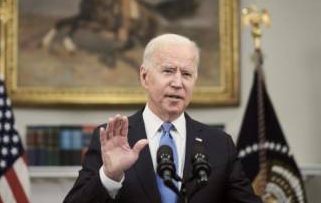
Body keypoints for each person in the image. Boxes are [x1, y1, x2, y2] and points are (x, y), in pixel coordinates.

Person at [63, 34, 261, 203]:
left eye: (186, 74)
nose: (177, 83)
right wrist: (109, 176)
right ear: (144, 76)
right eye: (168, 71)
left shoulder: (219, 144)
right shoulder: (110, 138)